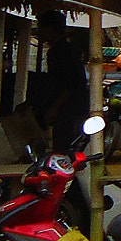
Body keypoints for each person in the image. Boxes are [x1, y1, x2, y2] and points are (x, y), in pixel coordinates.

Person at [38, 12, 89, 149]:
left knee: (64, 146)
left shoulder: (60, 51)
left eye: (41, 28)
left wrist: (55, 108)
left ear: (50, 29)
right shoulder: (62, 49)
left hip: (68, 108)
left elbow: (70, 83)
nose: (39, 32)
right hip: (69, 106)